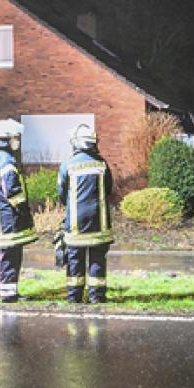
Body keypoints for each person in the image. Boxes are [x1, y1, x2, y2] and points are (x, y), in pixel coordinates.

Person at [0, 119, 37, 303]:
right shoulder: (6, 160)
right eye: (15, 137)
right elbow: (13, 191)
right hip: (7, 217)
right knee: (10, 253)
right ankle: (9, 293)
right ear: (6, 139)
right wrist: (23, 211)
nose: (17, 140)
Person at [57, 124, 114, 304]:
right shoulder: (102, 164)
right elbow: (108, 189)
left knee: (75, 259)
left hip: (75, 223)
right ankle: (97, 296)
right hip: (100, 222)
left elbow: (61, 194)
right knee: (97, 258)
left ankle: (74, 296)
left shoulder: (67, 165)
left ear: (75, 144)